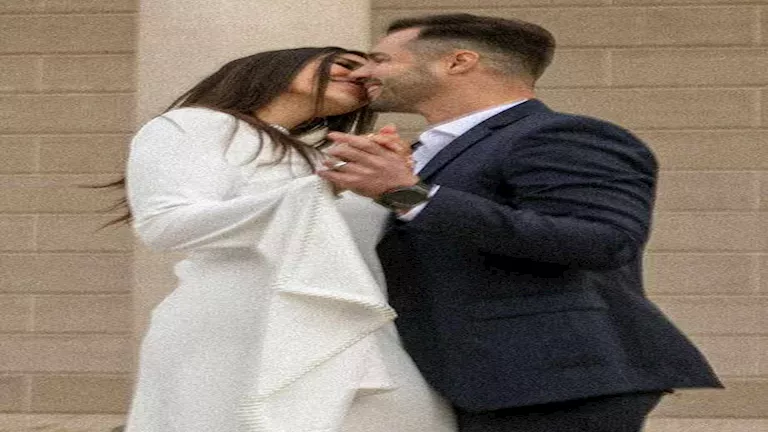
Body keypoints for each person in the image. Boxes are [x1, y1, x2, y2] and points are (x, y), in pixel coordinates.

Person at [318, 14, 722, 432]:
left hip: (553, 381)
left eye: (381, 60)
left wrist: (408, 194)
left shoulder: (562, 135)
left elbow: (603, 241)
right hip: (468, 379)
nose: (363, 72)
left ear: (458, 62)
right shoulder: (423, 150)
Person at [121, 47, 456, 432]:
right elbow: (166, 225)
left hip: (348, 323)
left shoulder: (319, 159)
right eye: (345, 63)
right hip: (243, 327)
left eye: (367, 71)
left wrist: (396, 182)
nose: (360, 74)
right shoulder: (195, 125)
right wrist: (320, 189)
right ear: (279, 66)